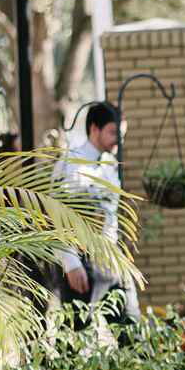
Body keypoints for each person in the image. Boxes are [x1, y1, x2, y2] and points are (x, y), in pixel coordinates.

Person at [54, 101, 138, 322]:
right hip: (82, 259)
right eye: (112, 133)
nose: (118, 140)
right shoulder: (71, 163)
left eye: (121, 134)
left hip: (110, 257)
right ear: (93, 129)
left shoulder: (110, 163)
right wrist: (71, 263)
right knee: (77, 331)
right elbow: (57, 217)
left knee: (130, 326)